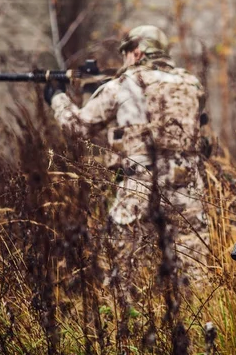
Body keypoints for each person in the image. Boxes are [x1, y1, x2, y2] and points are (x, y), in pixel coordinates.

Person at [45, 25, 208, 335]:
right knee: (191, 257)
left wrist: (57, 98)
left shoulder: (122, 84)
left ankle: (125, 329)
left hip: (139, 182)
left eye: (126, 54)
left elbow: (78, 126)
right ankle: (201, 326)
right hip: (186, 181)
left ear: (137, 51)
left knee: (124, 260)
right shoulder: (191, 83)